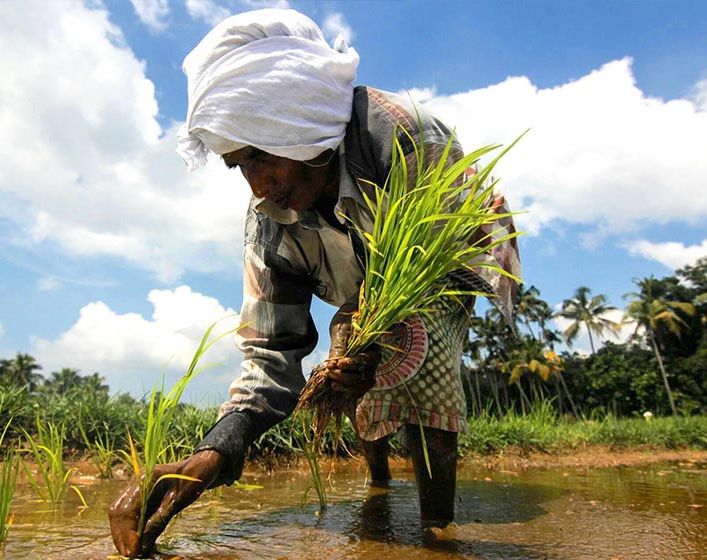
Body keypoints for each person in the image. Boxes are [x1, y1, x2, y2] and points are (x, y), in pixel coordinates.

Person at [109, 8, 520, 558]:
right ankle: (378, 484)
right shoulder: (268, 225)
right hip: (362, 287)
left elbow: (450, 247)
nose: (258, 185)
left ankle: (437, 531)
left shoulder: (397, 133)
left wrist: (380, 335)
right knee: (347, 371)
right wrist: (213, 455)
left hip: (447, 258)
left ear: (296, 124)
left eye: (260, 155)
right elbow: (270, 353)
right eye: (239, 165)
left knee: (418, 343)